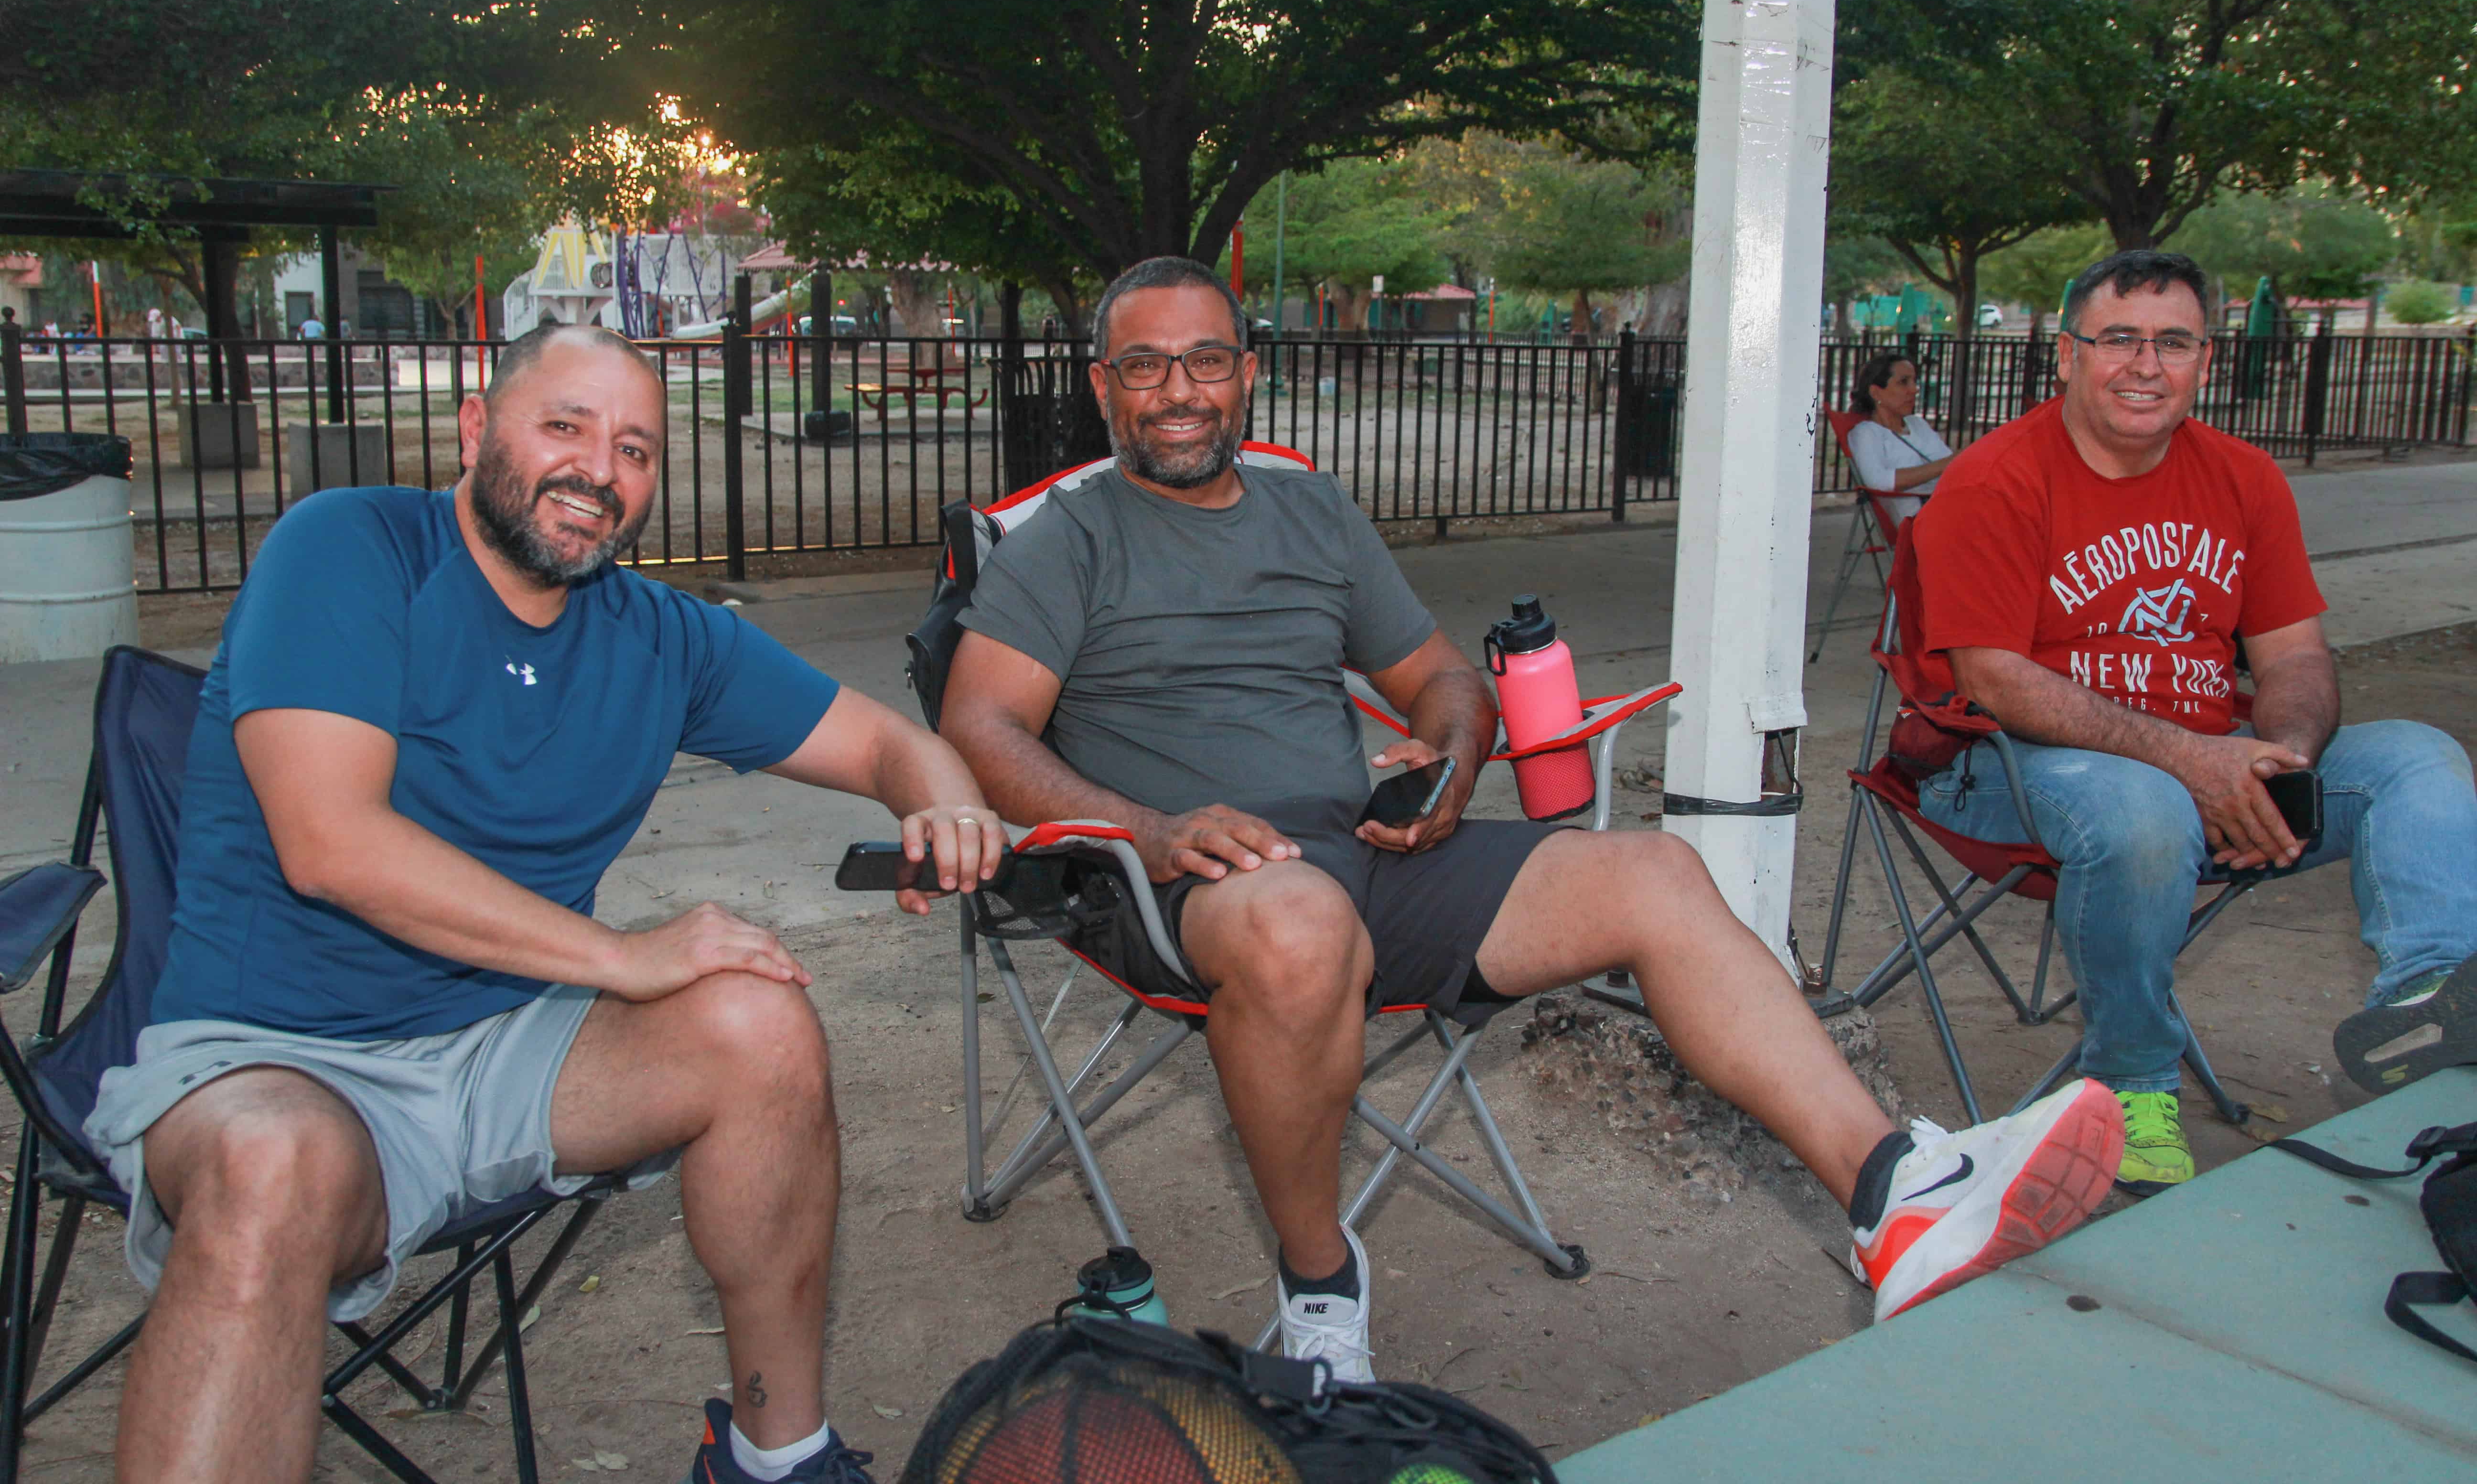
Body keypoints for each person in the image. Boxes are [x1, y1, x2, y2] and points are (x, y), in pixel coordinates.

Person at [938, 256, 2128, 1380]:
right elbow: (981, 727)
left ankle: (1892, 1194)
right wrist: (1146, 828)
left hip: (1366, 843)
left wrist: (1454, 762)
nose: (1178, 392)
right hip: (1179, 874)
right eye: (1143, 366)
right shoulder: (1066, 541)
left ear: (1248, 368)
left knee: (1654, 869)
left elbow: (1443, 680)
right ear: (1102, 385)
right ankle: (1320, 1286)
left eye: (1204, 360)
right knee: (1296, 922)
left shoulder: (1313, 515)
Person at [85, 323, 1005, 1484]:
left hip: (507, 1049)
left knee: (756, 1021)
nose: (598, 469)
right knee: (273, 1161)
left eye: (633, 448)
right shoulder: (350, 549)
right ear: (478, 430)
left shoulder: (661, 634)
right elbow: (334, 845)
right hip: (274, 1054)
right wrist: (620, 956)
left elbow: (882, 738)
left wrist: (948, 802)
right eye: (562, 425)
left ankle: (780, 1456)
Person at [1911, 249, 2477, 1192]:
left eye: (2173, 342)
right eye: (2119, 339)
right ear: (2067, 354)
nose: (2146, 365)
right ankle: (2130, 1079)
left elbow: (2295, 656)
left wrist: (2279, 770)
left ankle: (2429, 1004)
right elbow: (1997, 681)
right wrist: (2195, 764)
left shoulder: (2246, 480)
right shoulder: (1995, 479)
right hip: (2011, 768)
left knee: (2420, 759)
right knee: (2145, 807)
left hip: (2209, 763)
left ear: (2206, 362)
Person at [1844, 352, 1954, 524]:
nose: (1915, 389)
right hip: (1921, 521)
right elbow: (1878, 482)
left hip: (1949, 508)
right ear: (1876, 393)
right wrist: (1947, 464)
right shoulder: (1866, 434)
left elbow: (1952, 469)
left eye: (1914, 382)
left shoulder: (1918, 425)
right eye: (1904, 382)